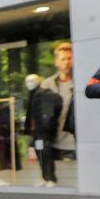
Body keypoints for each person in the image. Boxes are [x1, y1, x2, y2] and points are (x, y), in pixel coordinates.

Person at [40, 41, 75, 169]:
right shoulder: (47, 84)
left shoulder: (81, 83)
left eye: (70, 58)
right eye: (63, 59)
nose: (67, 62)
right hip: (51, 144)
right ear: (56, 62)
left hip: (73, 145)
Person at [22, 73, 62, 186]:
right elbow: (31, 114)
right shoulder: (32, 95)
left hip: (44, 130)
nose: (29, 84)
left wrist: (49, 121)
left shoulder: (45, 93)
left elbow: (58, 103)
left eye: (31, 81)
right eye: (27, 81)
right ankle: (45, 177)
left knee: (46, 153)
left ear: (37, 81)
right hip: (36, 132)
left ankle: (52, 178)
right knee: (40, 153)